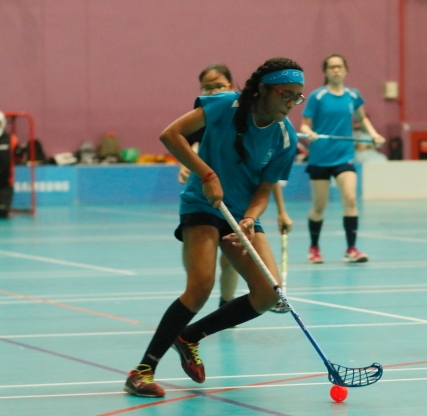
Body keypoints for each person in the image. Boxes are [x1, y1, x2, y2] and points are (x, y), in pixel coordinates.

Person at [124, 57, 305, 397]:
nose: (291, 103)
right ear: (264, 90)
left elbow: (264, 191)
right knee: (201, 285)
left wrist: (250, 220)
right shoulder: (224, 104)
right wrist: (206, 174)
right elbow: (171, 134)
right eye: (285, 94)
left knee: (269, 293)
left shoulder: (284, 138)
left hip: (240, 214)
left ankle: (190, 336)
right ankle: (142, 370)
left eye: (298, 97)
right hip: (203, 205)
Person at [177, 64, 293, 312]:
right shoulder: (206, 117)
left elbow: (267, 178)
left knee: (231, 262)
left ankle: (226, 304)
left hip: (240, 210)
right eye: (208, 87)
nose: (214, 90)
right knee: (200, 279)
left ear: (230, 86)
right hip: (206, 205)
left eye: (219, 86)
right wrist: (191, 169)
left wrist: (282, 211)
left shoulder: (252, 119)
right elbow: (185, 147)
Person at [300, 54, 385, 264]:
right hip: (320, 157)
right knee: (319, 206)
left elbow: (362, 117)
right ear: (326, 71)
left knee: (350, 199)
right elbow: (304, 124)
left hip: (344, 156)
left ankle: (351, 249)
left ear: (346, 70)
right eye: (331, 67)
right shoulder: (317, 97)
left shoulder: (353, 95)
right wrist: (309, 132)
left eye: (339, 67)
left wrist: (373, 135)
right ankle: (314, 248)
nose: (336, 70)